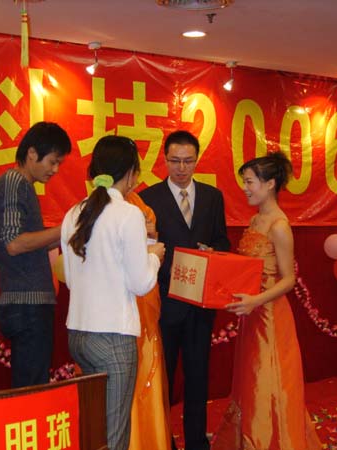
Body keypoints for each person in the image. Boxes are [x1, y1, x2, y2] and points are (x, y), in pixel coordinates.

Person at [60, 135, 165, 450]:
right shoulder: (128, 214)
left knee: (92, 430)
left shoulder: (73, 213)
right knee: (114, 436)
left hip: (78, 334)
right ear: (131, 174)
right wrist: (154, 257)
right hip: (113, 339)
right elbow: (141, 283)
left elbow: (70, 278)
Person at [212, 152, 322, 450]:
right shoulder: (255, 219)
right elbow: (249, 266)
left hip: (271, 316)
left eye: (250, 182)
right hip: (252, 312)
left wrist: (256, 300)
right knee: (250, 380)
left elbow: (289, 279)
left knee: (267, 380)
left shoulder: (279, 226)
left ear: (270, 183)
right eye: (245, 182)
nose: (245, 188)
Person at [139, 130, 230, 450]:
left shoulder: (212, 196)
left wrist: (214, 252)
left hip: (201, 304)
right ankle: (162, 440)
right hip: (164, 303)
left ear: (197, 160)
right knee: (162, 379)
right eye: (175, 161)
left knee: (198, 377)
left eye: (188, 161)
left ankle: (196, 442)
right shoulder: (148, 198)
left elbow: (223, 240)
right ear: (164, 160)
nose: (181, 168)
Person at [0, 121, 72, 388]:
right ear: (32, 153)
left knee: (34, 382)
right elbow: (14, 243)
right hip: (26, 304)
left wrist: (70, 233)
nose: (55, 170)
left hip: (30, 304)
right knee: (32, 387)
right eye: (53, 161)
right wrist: (65, 228)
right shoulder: (14, 181)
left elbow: (30, 244)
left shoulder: (23, 185)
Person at [126, 191, 172, 450]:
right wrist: (153, 255)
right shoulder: (105, 209)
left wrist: (151, 239)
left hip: (144, 306)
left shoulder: (143, 208)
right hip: (123, 307)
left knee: (146, 368)